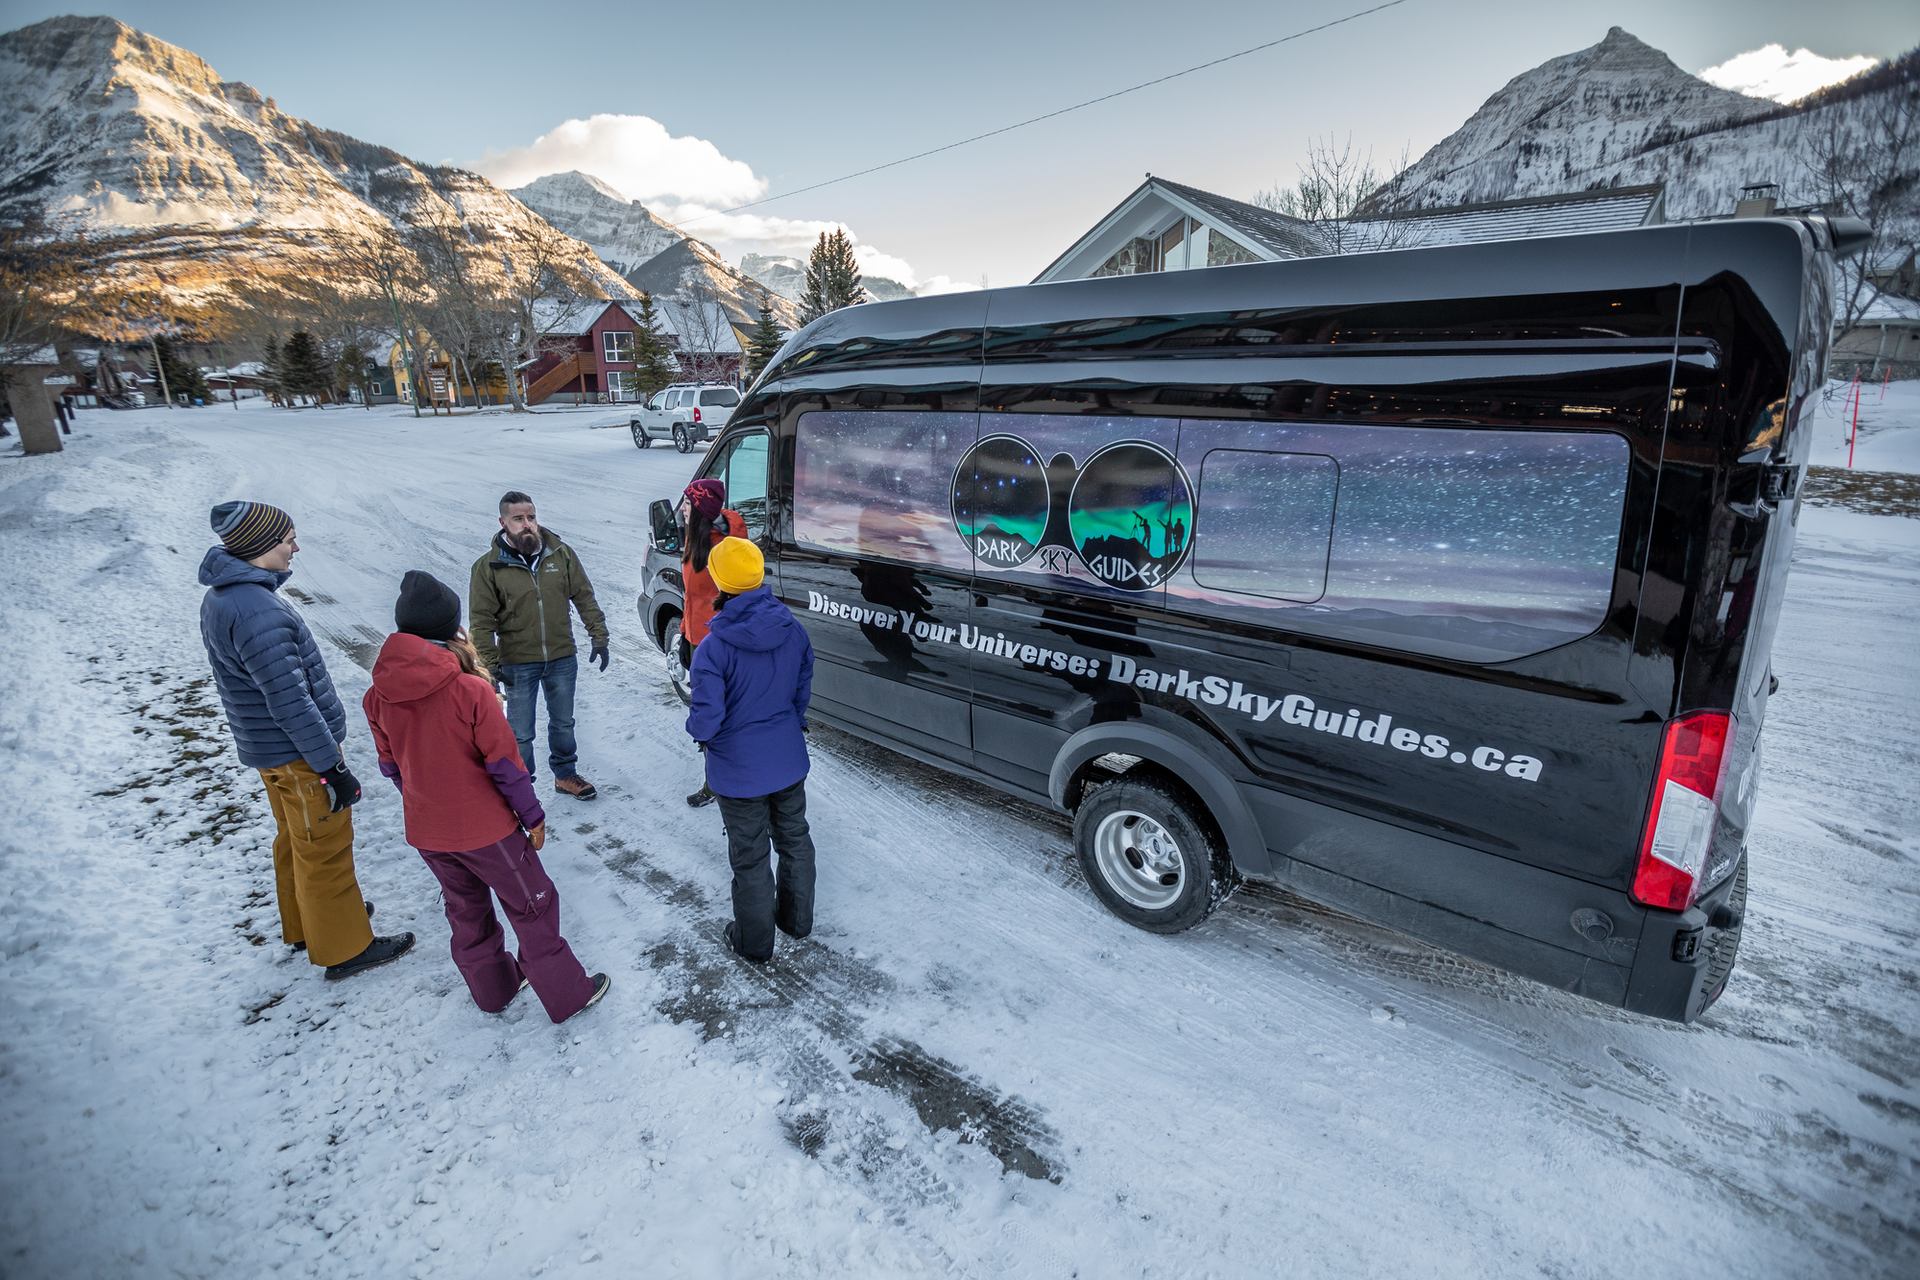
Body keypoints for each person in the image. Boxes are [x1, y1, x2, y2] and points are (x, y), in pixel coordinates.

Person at [364, 571, 609, 1022]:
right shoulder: (469, 690)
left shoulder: (377, 696)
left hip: (427, 831)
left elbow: (391, 767)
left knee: (465, 908)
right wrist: (532, 817)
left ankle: (494, 989)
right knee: (533, 904)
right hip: (487, 831)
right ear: (451, 628)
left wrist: (428, 802)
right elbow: (505, 765)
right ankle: (567, 994)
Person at [197, 500, 415, 980]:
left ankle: (307, 923)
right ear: (259, 546)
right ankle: (344, 947)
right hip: (298, 754)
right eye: (287, 538)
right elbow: (288, 700)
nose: (295, 546)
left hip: (270, 752)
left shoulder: (225, 597)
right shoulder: (257, 611)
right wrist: (330, 766)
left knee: (295, 839)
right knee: (325, 847)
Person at [684, 538, 817, 963]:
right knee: (795, 838)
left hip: (739, 771)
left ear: (719, 581)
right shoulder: (792, 628)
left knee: (750, 855)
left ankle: (754, 943)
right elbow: (801, 689)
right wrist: (788, 725)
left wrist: (699, 734)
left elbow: (707, 717)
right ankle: (796, 921)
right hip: (787, 758)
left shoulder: (714, 648)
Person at [468, 491, 610, 801]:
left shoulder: (560, 554)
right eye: (518, 519)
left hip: (561, 657)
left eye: (531, 517)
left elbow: (584, 596)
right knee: (520, 733)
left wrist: (598, 635)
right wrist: (489, 665)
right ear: (503, 522)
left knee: (564, 722)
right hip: (517, 663)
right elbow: (481, 622)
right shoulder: (488, 567)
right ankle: (522, 789)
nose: (527, 524)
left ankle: (565, 774)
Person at [677, 477, 747, 809]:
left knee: (722, 718)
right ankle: (717, 779)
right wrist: (684, 632)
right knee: (707, 714)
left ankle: (724, 782)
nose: (682, 510)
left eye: (688, 505)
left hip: (718, 646)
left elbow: (735, 598)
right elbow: (692, 597)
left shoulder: (726, 546)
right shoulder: (695, 538)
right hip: (697, 640)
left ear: (702, 510)